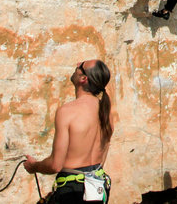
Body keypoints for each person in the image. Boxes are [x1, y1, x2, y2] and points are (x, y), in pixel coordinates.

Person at [25, 59, 114, 203]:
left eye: (82, 65)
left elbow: (55, 164)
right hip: (98, 186)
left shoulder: (67, 112)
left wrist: (34, 166)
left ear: (83, 79)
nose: (78, 63)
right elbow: (102, 157)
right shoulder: (106, 111)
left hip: (73, 191)